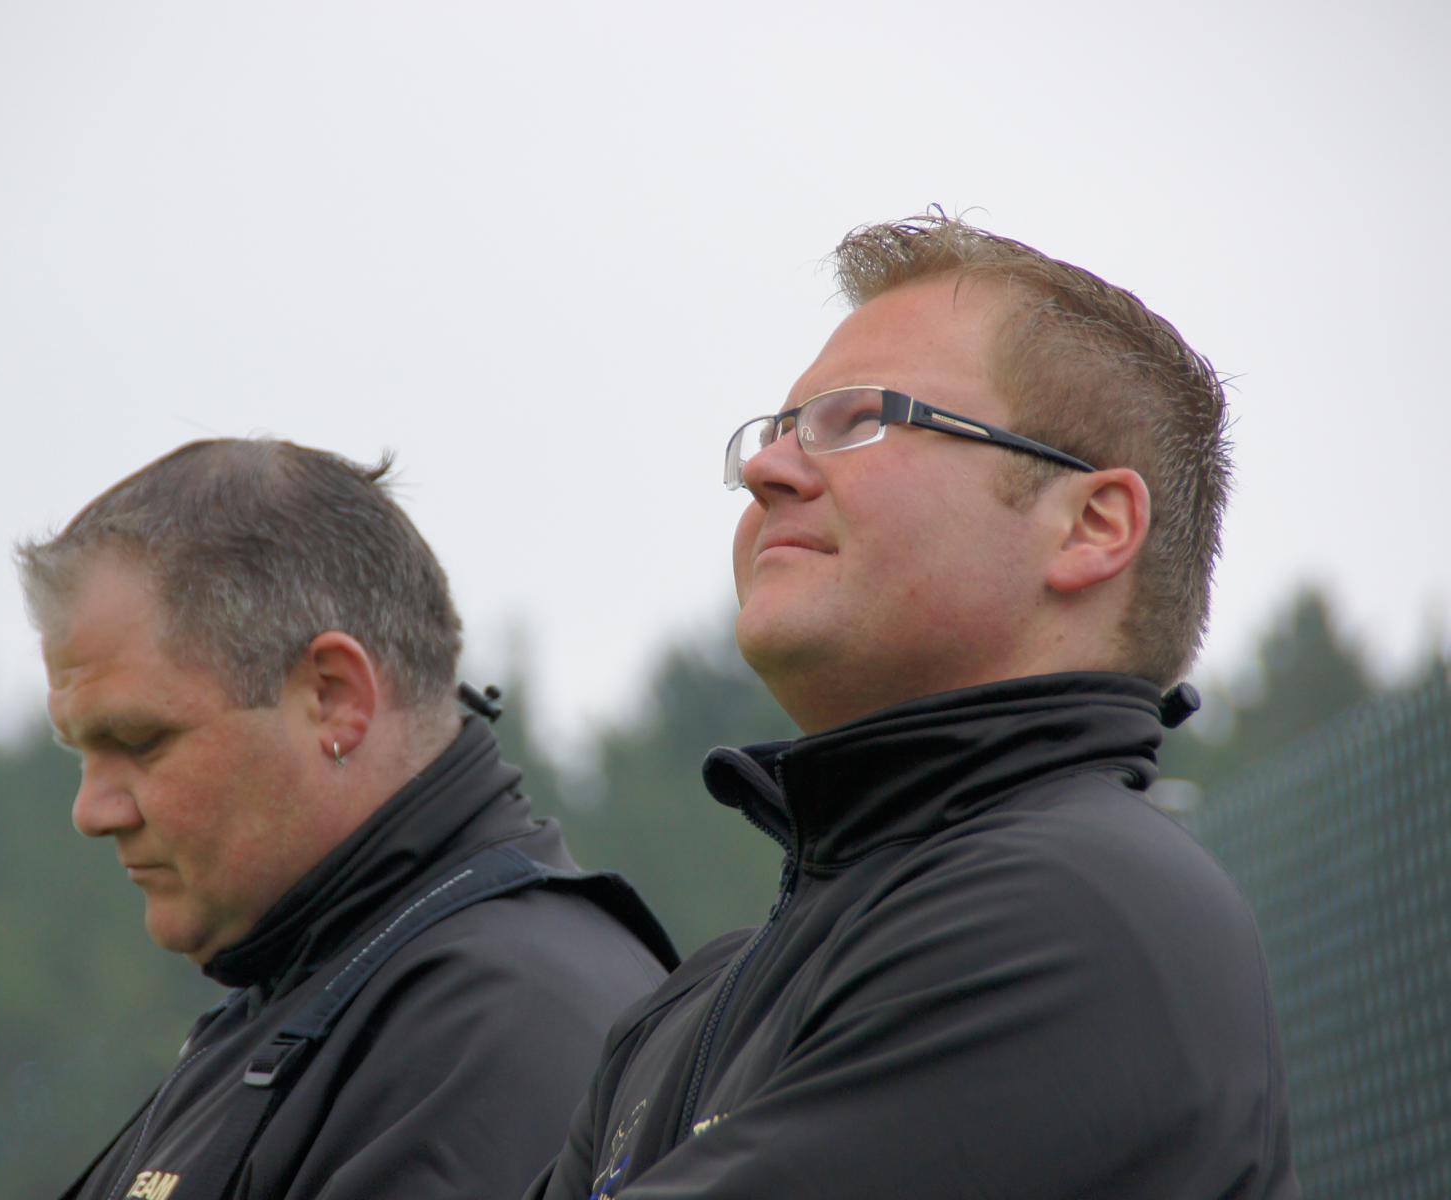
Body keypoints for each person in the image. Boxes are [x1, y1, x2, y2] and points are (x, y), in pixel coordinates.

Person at [528, 213, 1298, 1198]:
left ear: (1090, 526)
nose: (764, 471)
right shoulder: (689, 1005)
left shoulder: (1076, 911)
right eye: (776, 433)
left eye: (858, 421)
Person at [0, 438, 675, 1200]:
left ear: (334, 698)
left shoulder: (497, 1023)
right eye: (79, 751)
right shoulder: (331, 984)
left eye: (139, 741)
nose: (91, 811)